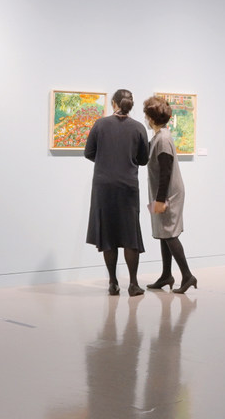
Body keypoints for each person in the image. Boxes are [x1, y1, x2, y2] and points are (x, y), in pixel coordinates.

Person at [85, 89, 150, 297]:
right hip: (128, 186)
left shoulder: (100, 125)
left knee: (108, 234)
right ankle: (133, 284)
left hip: (103, 186)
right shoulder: (139, 128)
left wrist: (105, 161)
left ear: (113, 103)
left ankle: (113, 283)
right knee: (130, 234)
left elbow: (89, 152)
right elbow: (143, 159)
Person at [142, 95, 197, 294]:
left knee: (170, 234)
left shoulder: (163, 139)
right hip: (163, 192)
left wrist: (160, 200)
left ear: (151, 117)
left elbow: (165, 172)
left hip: (168, 194)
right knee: (164, 234)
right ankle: (166, 275)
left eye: (146, 115)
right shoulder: (159, 136)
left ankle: (187, 275)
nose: (146, 119)